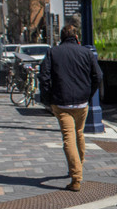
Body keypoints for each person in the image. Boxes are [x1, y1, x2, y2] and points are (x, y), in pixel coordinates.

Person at [39, 25, 102, 192]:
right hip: (82, 102)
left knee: (68, 138)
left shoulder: (53, 52)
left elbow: (44, 77)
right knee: (79, 133)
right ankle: (78, 165)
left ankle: (76, 178)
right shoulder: (86, 52)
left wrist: (47, 100)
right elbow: (98, 76)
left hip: (62, 102)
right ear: (76, 37)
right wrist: (89, 93)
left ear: (61, 37)